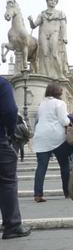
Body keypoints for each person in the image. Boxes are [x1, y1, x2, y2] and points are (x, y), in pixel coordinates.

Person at [0, 77, 31, 239]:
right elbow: (10, 111)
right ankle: (12, 225)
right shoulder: (2, 83)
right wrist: (10, 131)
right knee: (7, 181)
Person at [32, 82, 71, 202]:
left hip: (41, 137)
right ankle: (67, 193)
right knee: (64, 165)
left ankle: (38, 194)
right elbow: (64, 121)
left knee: (41, 167)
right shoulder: (60, 103)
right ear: (57, 92)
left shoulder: (41, 104)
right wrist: (70, 118)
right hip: (56, 138)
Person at [28, 0, 68, 78]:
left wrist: (64, 36)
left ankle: (60, 74)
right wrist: (30, 20)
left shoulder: (60, 13)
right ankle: (47, 74)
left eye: (54, 1)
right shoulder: (42, 14)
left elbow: (63, 25)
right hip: (43, 34)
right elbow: (34, 25)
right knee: (45, 54)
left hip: (55, 33)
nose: (53, 2)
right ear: (47, 2)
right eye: (51, 0)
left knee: (54, 54)